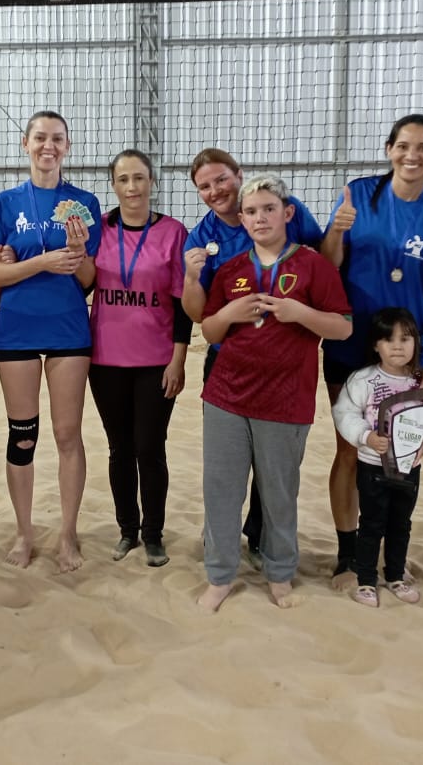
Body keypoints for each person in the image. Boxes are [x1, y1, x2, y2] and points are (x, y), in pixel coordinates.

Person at [197, 175, 351, 613]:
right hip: (226, 395)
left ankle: (280, 573)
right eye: (251, 211)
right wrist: (227, 312)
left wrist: (301, 312)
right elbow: (209, 330)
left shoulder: (313, 266)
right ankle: (220, 574)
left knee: (279, 492)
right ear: (241, 219)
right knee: (221, 490)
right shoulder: (230, 270)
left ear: (288, 214)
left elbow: (343, 326)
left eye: (268, 209)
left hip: (285, 399)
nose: (259, 217)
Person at [320, 114, 423, 586]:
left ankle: (389, 554)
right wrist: (337, 231)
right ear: (388, 148)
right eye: (404, 145)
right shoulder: (359, 194)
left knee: (401, 451)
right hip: (351, 339)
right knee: (351, 446)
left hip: (406, 349)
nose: (412, 155)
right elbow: (327, 265)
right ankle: (347, 554)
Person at [182, 148, 322, 561]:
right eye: (204, 186)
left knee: (273, 462)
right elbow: (197, 314)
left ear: (238, 174)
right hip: (229, 361)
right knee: (227, 463)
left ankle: (262, 538)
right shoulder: (200, 239)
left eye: (221, 180)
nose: (214, 191)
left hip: (285, 360)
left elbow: (324, 262)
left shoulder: (283, 210)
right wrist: (192, 276)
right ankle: (221, 547)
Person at [0, 110, 101, 571]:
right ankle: (23, 532)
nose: (48, 146)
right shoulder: (5, 203)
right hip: (17, 329)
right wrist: (43, 262)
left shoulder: (83, 201)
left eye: (57, 139)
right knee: (23, 436)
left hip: (69, 329)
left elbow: (88, 281)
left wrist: (79, 251)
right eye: (40, 138)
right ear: (25, 143)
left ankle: (67, 533)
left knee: (68, 433)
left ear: (67, 147)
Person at [88, 150, 190, 567]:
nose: (132, 187)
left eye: (140, 178)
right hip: (106, 361)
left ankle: (153, 534)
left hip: (155, 361)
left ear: (152, 182)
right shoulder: (98, 230)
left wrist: (178, 360)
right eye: (124, 179)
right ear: (113, 185)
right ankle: (127, 530)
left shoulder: (173, 232)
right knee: (119, 449)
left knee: (150, 448)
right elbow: (79, 282)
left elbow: (183, 304)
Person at [332, 307, 423, 608]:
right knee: (371, 523)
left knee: (401, 523)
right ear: (375, 345)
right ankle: (366, 580)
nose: (397, 346)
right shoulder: (362, 380)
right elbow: (343, 413)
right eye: (388, 339)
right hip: (372, 466)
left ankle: (396, 574)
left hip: (410, 468)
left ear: (417, 344)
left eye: (405, 339)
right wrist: (365, 437)